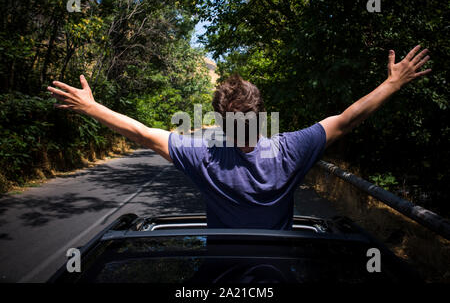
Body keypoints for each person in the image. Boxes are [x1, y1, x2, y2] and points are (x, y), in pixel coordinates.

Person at [47, 45, 431, 229]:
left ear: (219, 122)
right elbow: (346, 121)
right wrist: (392, 83)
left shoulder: (204, 156)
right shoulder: (290, 150)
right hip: (276, 271)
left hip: (218, 275)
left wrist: (92, 107)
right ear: (261, 114)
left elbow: (145, 135)